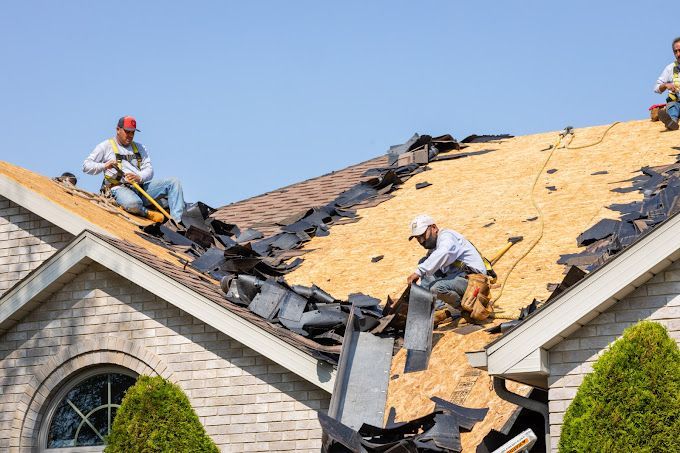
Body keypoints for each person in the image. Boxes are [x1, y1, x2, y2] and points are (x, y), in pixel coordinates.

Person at [83, 116, 185, 223]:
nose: (130, 136)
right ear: (118, 129)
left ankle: (176, 222)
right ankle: (146, 212)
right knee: (133, 204)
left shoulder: (140, 148)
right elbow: (86, 166)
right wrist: (104, 166)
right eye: (127, 132)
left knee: (173, 182)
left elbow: (149, 170)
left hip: (140, 187)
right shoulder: (105, 146)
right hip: (119, 189)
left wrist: (139, 177)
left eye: (133, 133)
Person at [406, 214, 488, 306]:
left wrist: (419, 272)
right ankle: (431, 306)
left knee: (436, 288)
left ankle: (456, 308)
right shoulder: (435, 245)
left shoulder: (447, 237)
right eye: (418, 238)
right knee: (424, 261)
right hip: (457, 278)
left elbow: (443, 252)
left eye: (422, 235)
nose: (421, 241)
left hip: (474, 281)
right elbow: (428, 271)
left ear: (434, 227)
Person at [654, 37, 680, 131]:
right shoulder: (670, 68)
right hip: (676, 103)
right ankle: (671, 123)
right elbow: (656, 88)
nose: (678, 54)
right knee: (673, 106)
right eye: (675, 51)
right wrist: (665, 85)